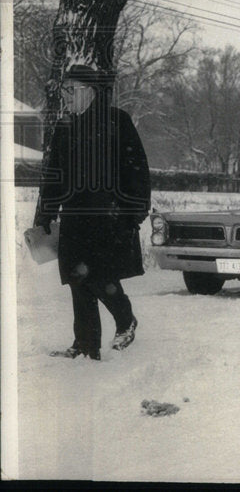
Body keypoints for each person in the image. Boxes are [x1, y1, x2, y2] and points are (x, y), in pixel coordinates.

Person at [33, 63, 151, 361]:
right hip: (74, 217)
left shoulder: (116, 121)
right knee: (77, 279)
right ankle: (85, 344)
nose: (66, 97)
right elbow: (54, 175)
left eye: (70, 91)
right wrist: (45, 215)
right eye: (64, 91)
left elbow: (136, 170)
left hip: (107, 216)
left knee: (98, 276)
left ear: (90, 91)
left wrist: (133, 214)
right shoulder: (64, 127)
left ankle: (126, 320)